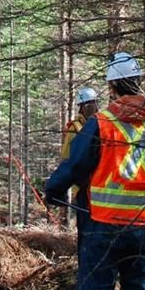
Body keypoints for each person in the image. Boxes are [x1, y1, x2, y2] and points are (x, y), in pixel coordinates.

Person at [45, 52, 145, 290]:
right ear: (137, 82)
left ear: (111, 88)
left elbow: (75, 165)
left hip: (106, 223)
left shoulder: (102, 122)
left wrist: (53, 190)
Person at [60, 87, 99, 242]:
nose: (91, 107)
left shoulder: (102, 124)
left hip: (101, 186)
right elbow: (67, 157)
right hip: (83, 187)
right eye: (88, 104)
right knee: (85, 230)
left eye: (93, 103)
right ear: (81, 107)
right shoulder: (75, 128)